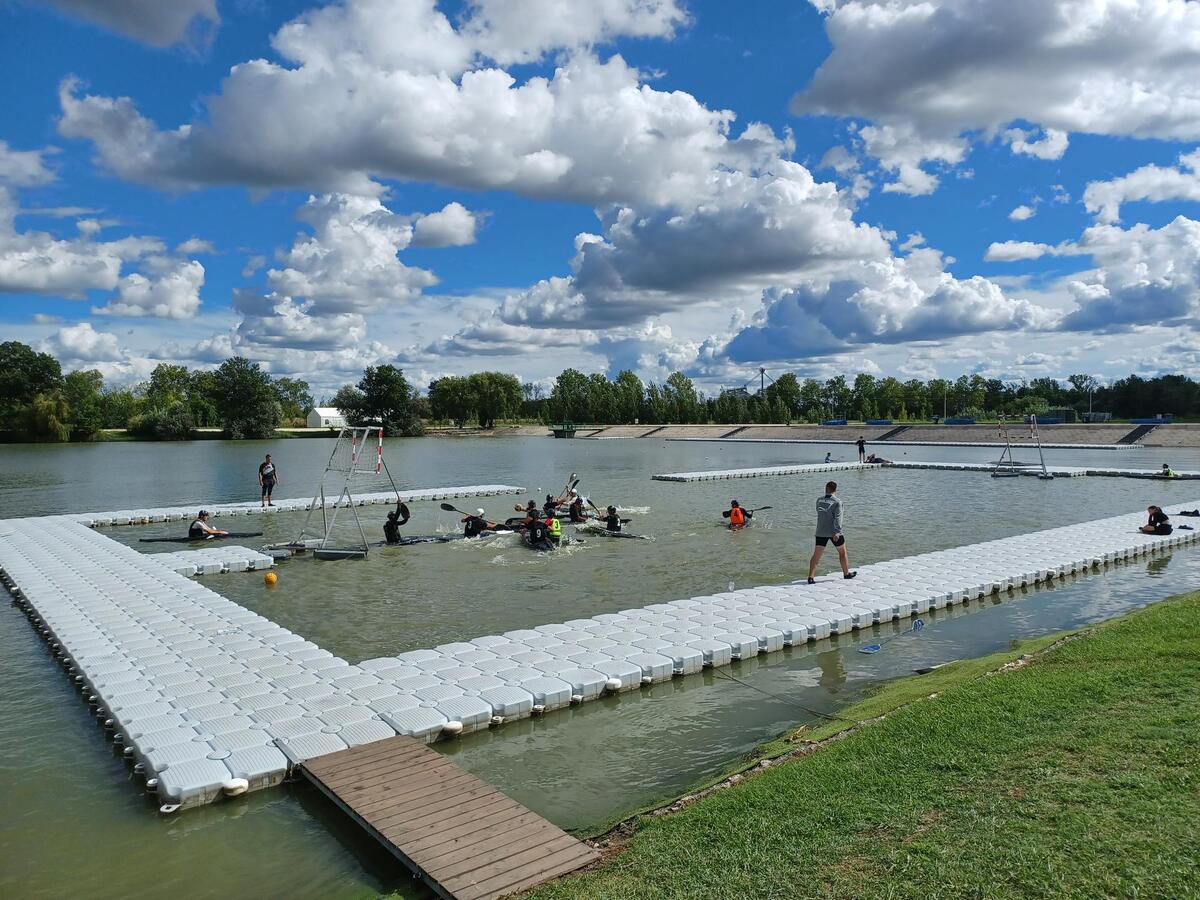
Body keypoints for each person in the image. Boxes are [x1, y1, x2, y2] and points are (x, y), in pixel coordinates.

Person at [807, 481, 856, 583]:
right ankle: (846, 574)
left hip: (820, 531)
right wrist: (837, 532)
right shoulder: (837, 502)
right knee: (843, 553)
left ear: (826, 488)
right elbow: (838, 518)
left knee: (816, 555)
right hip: (834, 532)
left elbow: (818, 512)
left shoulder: (819, 500)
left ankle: (811, 577)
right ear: (836, 490)